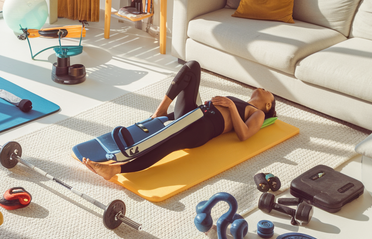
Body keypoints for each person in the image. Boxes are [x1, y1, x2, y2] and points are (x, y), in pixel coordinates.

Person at [82, 60, 276, 180]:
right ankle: (161, 109)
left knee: (166, 143)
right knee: (192, 66)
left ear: (268, 105)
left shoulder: (257, 113)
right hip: (194, 113)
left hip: (204, 127)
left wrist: (231, 106)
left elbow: (244, 135)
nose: (263, 88)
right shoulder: (243, 101)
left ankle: (116, 169)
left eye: (267, 92)